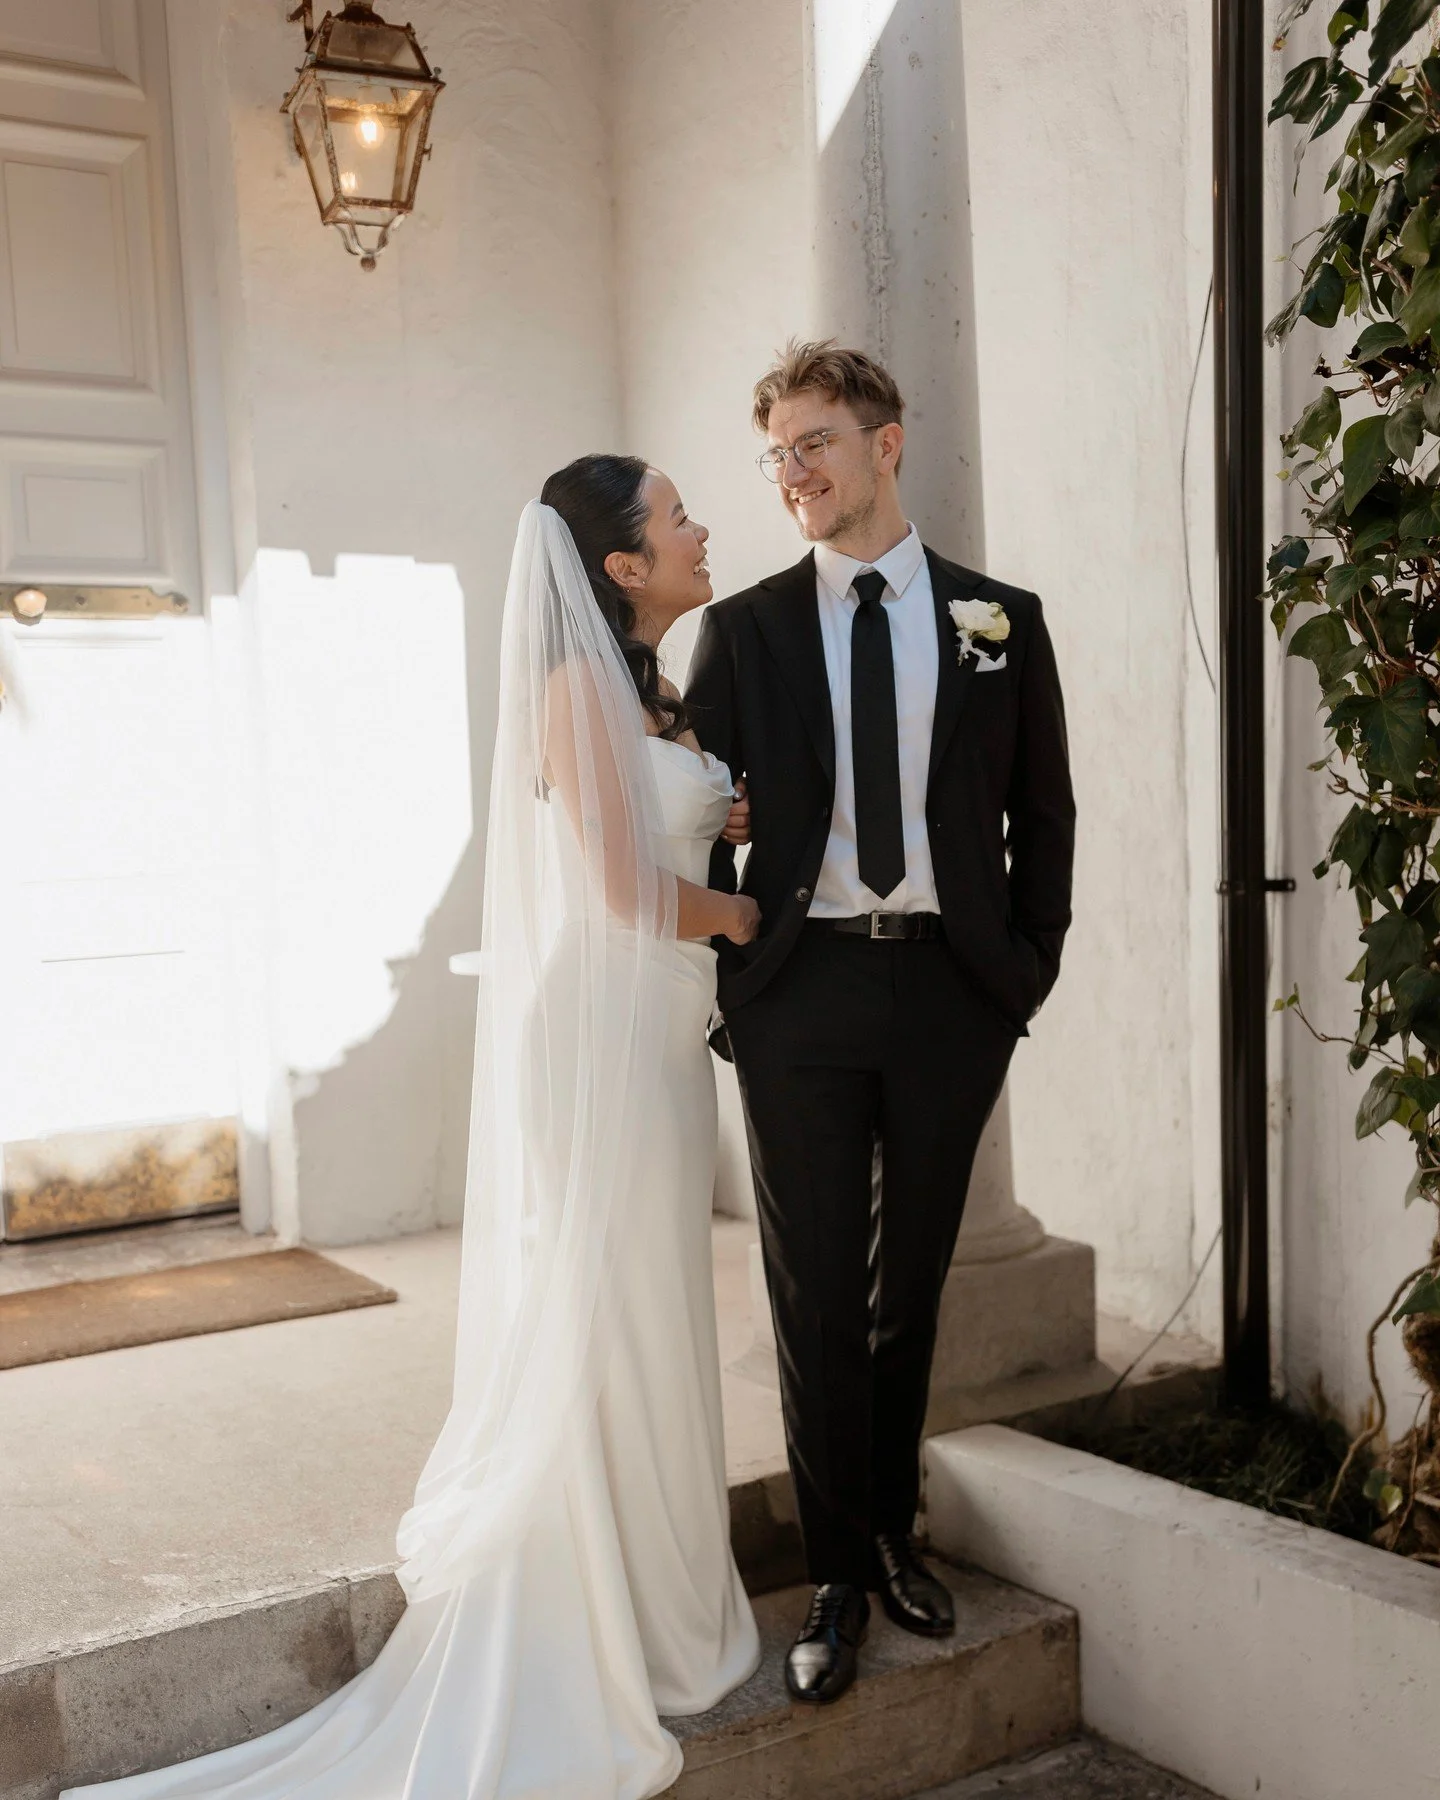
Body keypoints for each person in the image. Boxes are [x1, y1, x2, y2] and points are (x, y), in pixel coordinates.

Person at [62, 457, 762, 1800]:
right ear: (619, 564)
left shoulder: (644, 693)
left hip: (657, 1040)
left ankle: (673, 1600)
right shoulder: (573, 687)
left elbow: (652, 840)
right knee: (612, 1313)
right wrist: (737, 915)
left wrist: (719, 824)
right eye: (675, 517)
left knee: (653, 1311)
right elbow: (624, 890)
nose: (699, 528)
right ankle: (630, 1621)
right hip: (608, 1036)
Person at [686, 340, 1075, 1706]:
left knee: (910, 1279)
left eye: (816, 444)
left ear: (886, 443)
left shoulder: (998, 619)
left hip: (950, 994)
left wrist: (1023, 969)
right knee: (811, 1298)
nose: (794, 473)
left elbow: (1046, 809)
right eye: (778, 453)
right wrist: (736, 967)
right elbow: (692, 813)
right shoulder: (744, 629)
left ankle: (897, 1528)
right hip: (800, 994)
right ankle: (837, 1576)